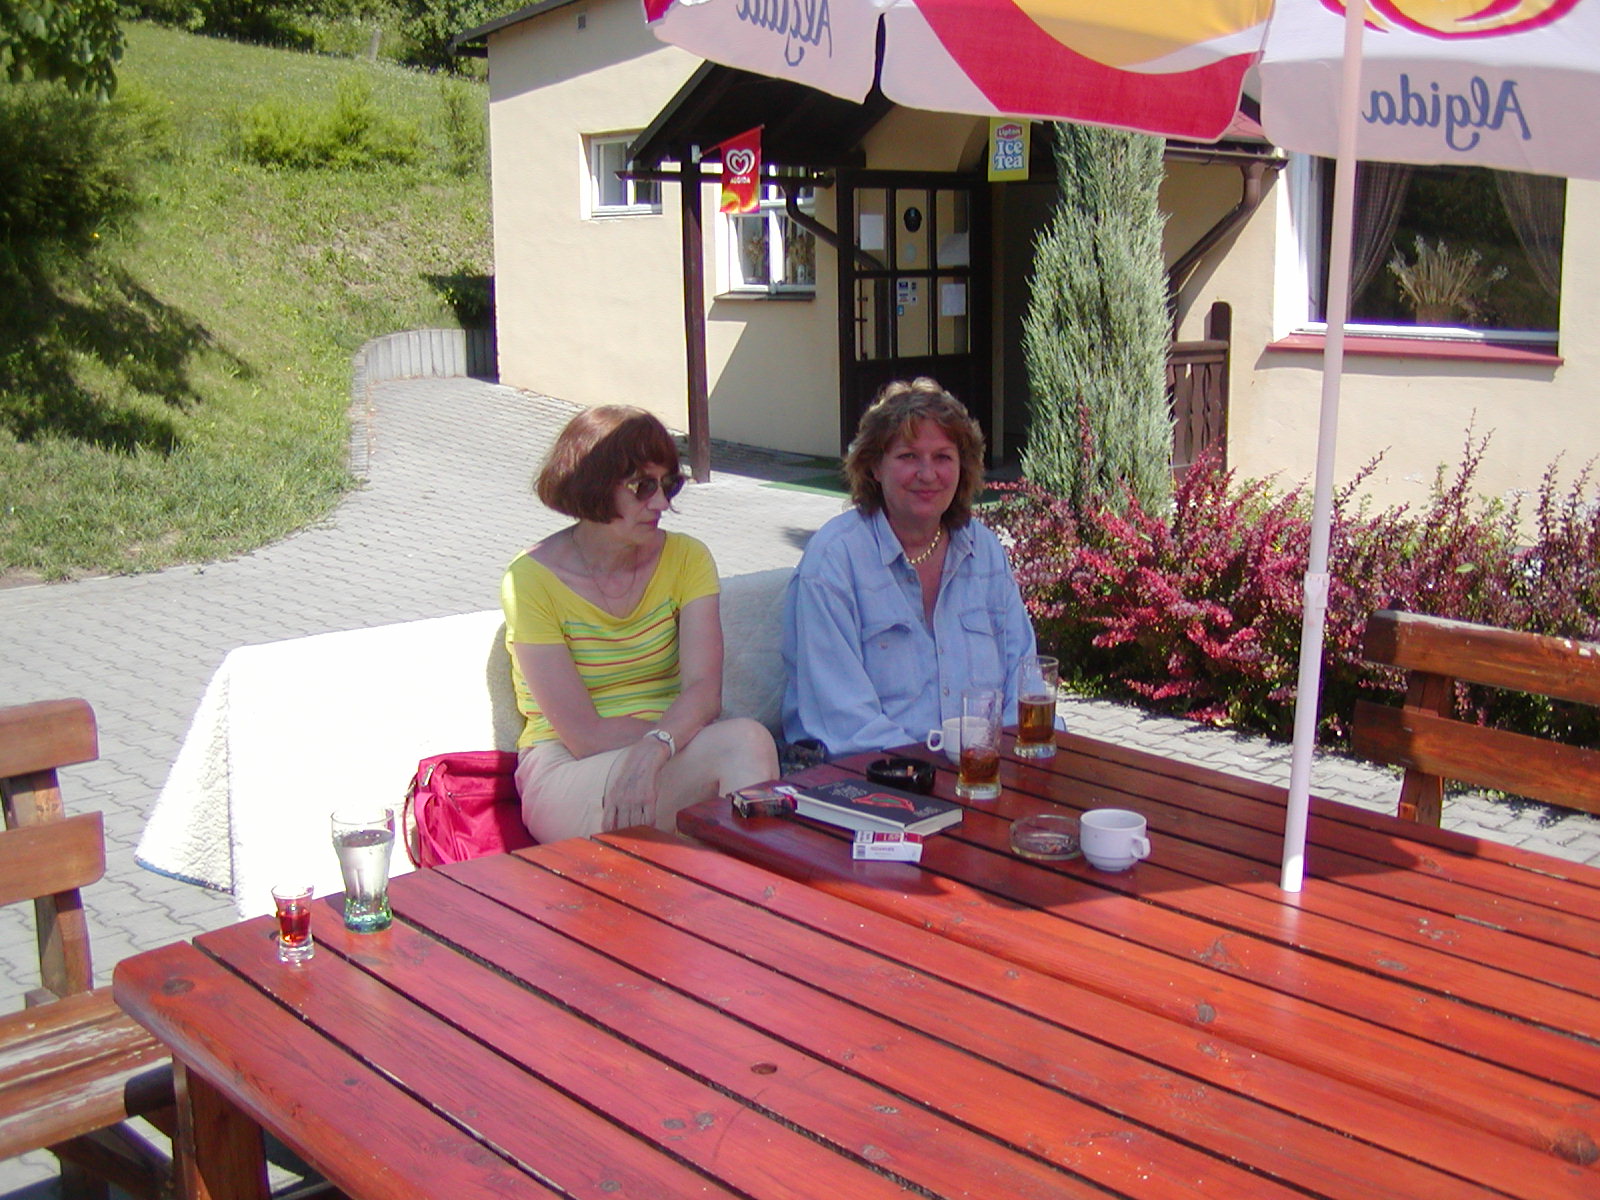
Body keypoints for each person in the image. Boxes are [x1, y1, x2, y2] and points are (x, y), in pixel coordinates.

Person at [502, 405, 777, 841]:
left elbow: (704, 691)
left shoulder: (687, 558)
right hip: (567, 767)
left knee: (747, 743)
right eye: (642, 486)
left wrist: (655, 748)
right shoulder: (531, 578)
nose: (662, 503)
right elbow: (584, 735)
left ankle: (739, 882)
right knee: (743, 744)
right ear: (593, 484)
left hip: (666, 751)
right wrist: (668, 739)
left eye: (669, 484)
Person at [782, 378, 1037, 758]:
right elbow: (845, 723)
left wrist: (1018, 762)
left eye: (943, 457)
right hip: (869, 773)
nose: (928, 474)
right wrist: (934, 771)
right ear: (874, 467)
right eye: (908, 456)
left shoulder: (983, 550)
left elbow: (1024, 679)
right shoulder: (834, 561)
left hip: (979, 770)